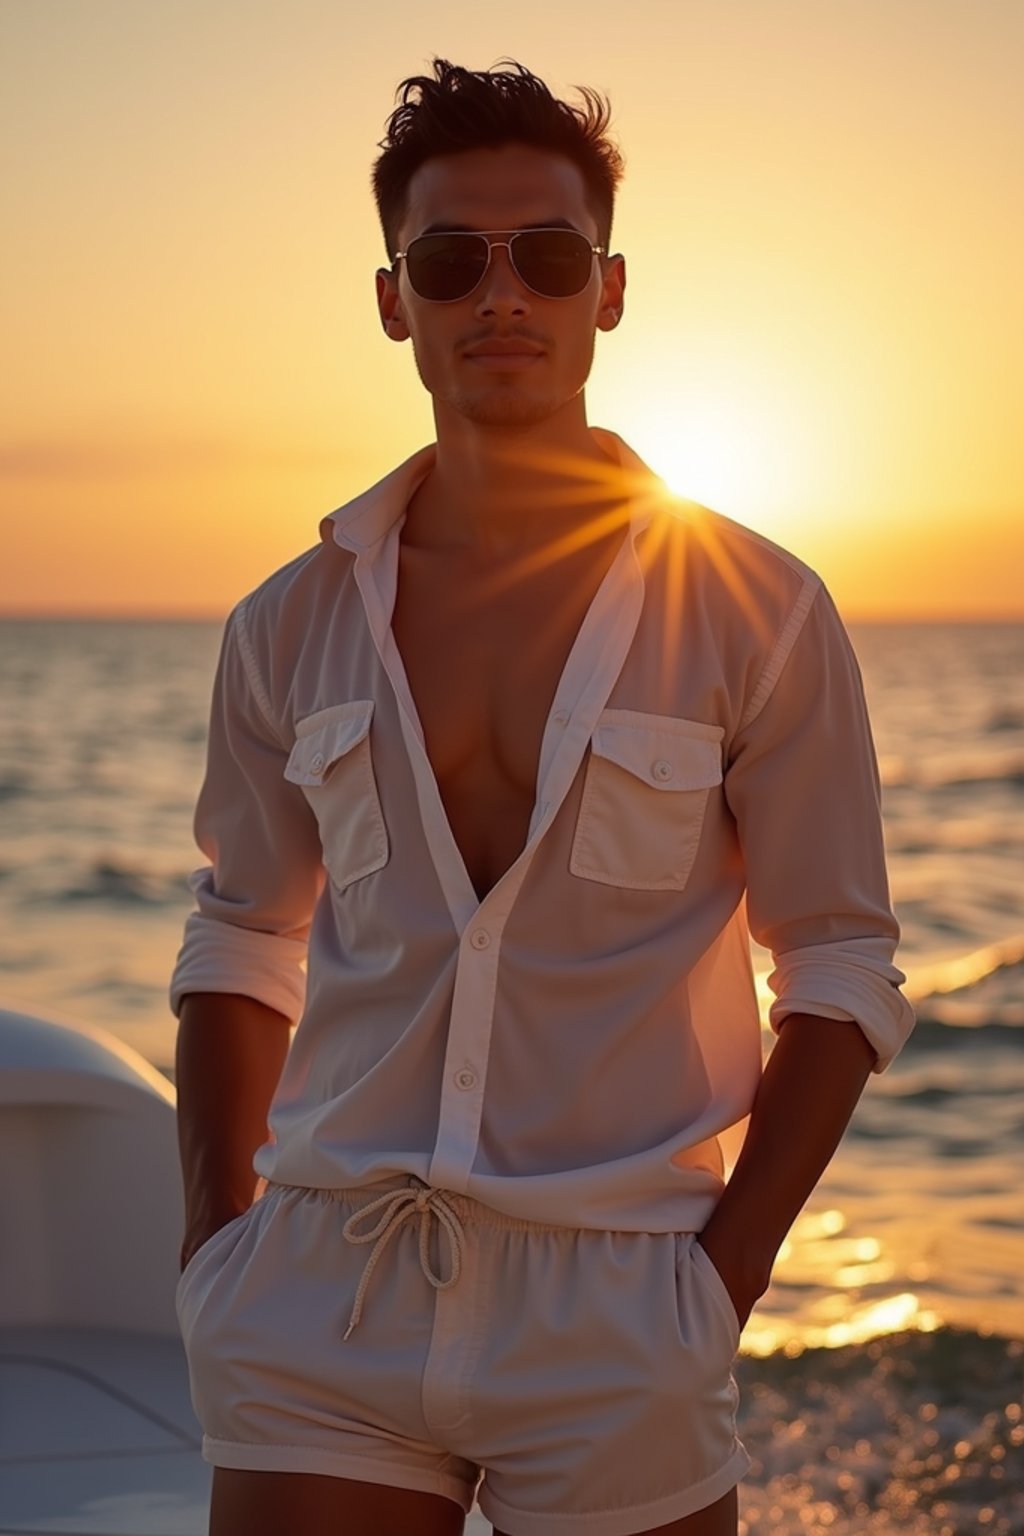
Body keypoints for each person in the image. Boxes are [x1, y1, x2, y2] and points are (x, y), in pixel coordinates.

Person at [172, 58, 914, 1536]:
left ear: (610, 291)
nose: (500, 295)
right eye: (451, 261)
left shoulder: (754, 608)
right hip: (327, 1287)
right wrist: (215, 1251)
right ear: (396, 301)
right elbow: (241, 942)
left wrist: (722, 1281)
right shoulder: (286, 624)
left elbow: (835, 965)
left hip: (618, 1299)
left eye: (549, 258)